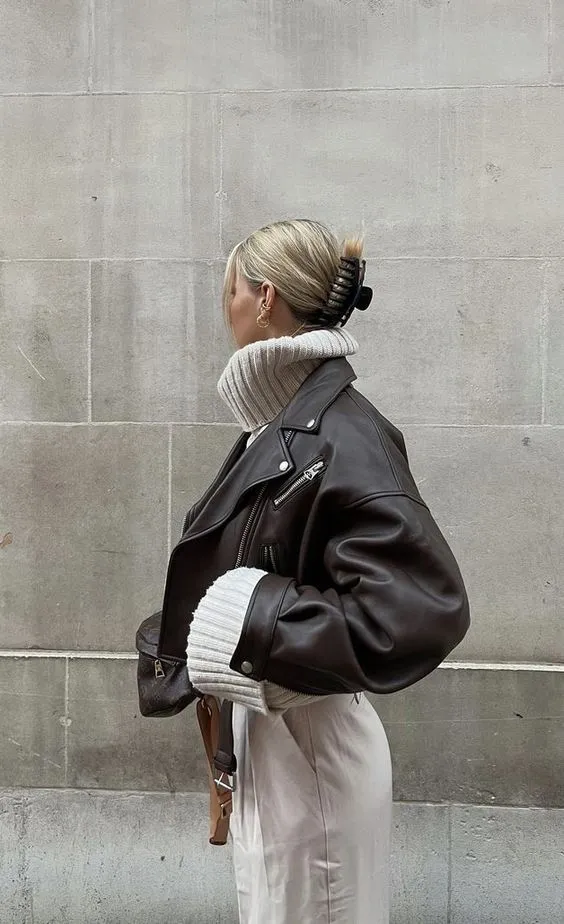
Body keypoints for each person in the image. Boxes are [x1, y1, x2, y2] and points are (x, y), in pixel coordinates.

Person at [175, 219, 469, 923]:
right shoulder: (283, 429)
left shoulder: (340, 432)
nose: (226, 308)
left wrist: (249, 617)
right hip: (277, 745)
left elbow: (418, 609)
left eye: (231, 292)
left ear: (265, 298)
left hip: (312, 749)